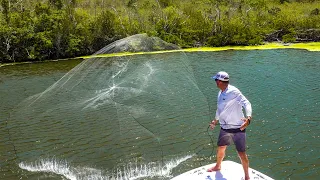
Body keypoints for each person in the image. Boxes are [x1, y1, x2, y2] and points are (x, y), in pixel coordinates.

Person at [207, 71, 252, 180]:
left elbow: (247, 103)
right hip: (225, 128)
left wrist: (248, 118)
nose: (215, 82)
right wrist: (215, 120)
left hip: (238, 128)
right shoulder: (220, 92)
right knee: (221, 148)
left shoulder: (234, 92)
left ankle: (247, 177)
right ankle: (218, 166)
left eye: (216, 80)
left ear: (220, 81)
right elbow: (219, 109)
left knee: (241, 153)